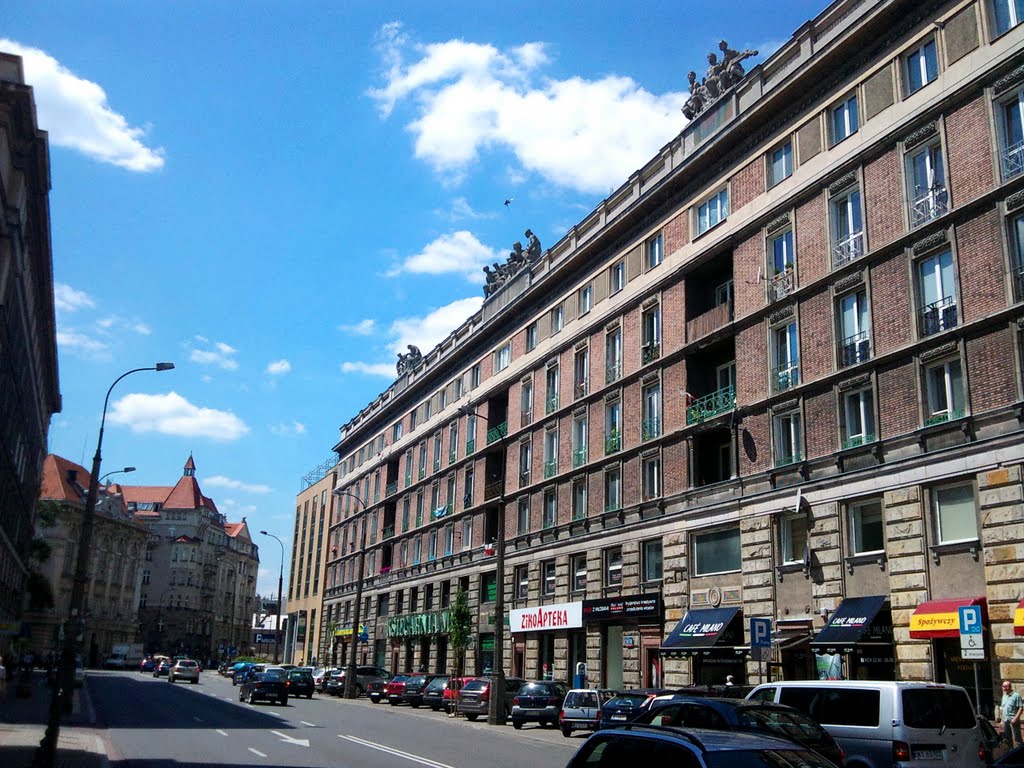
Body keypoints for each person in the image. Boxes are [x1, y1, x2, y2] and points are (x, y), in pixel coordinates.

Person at [1001, 680, 1023, 746]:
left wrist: (1015, 719)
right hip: (1005, 720)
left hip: (1013, 720)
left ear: (1009, 687)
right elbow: (1003, 708)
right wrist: (1002, 721)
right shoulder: (1004, 696)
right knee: (1007, 739)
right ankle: (1010, 752)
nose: (1003, 688)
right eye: (1003, 686)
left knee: (1017, 739)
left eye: (1005, 686)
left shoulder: (1016, 696)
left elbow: (1021, 708)